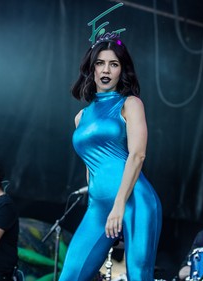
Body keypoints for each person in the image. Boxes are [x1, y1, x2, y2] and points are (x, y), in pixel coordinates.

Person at [58, 38, 162, 281]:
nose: (106, 70)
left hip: (135, 200)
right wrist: (98, 200)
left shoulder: (130, 104)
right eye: (100, 63)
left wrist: (118, 204)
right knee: (70, 275)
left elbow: (138, 155)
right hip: (99, 207)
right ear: (91, 68)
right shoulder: (80, 118)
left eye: (113, 64)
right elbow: (90, 167)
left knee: (138, 275)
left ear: (121, 70)